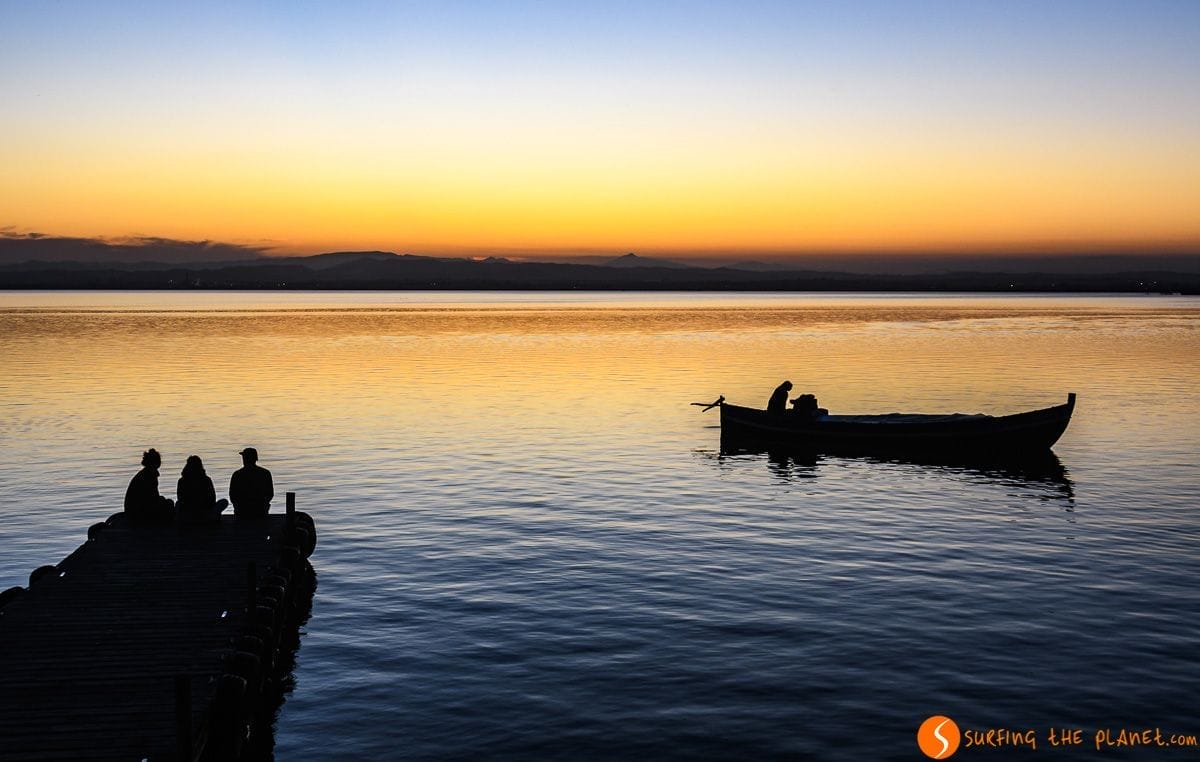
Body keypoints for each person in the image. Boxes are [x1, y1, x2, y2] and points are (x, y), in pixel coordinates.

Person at [124, 448, 175, 523]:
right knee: (169, 504)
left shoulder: (144, 474)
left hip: (134, 511)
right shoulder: (148, 477)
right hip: (138, 514)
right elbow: (151, 500)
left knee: (166, 502)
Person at [177, 455, 229, 523]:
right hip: (205, 513)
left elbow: (180, 499)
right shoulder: (206, 480)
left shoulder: (182, 481)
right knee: (224, 501)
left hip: (188, 514)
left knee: (177, 504)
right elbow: (212, 499)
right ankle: (210, 517)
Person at [229, 447, 274, 518]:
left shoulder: (237, 474)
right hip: (260, 511)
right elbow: (270, 494)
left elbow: (232, 497)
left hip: (241, 512)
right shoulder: (265, 473)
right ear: (256, 459)